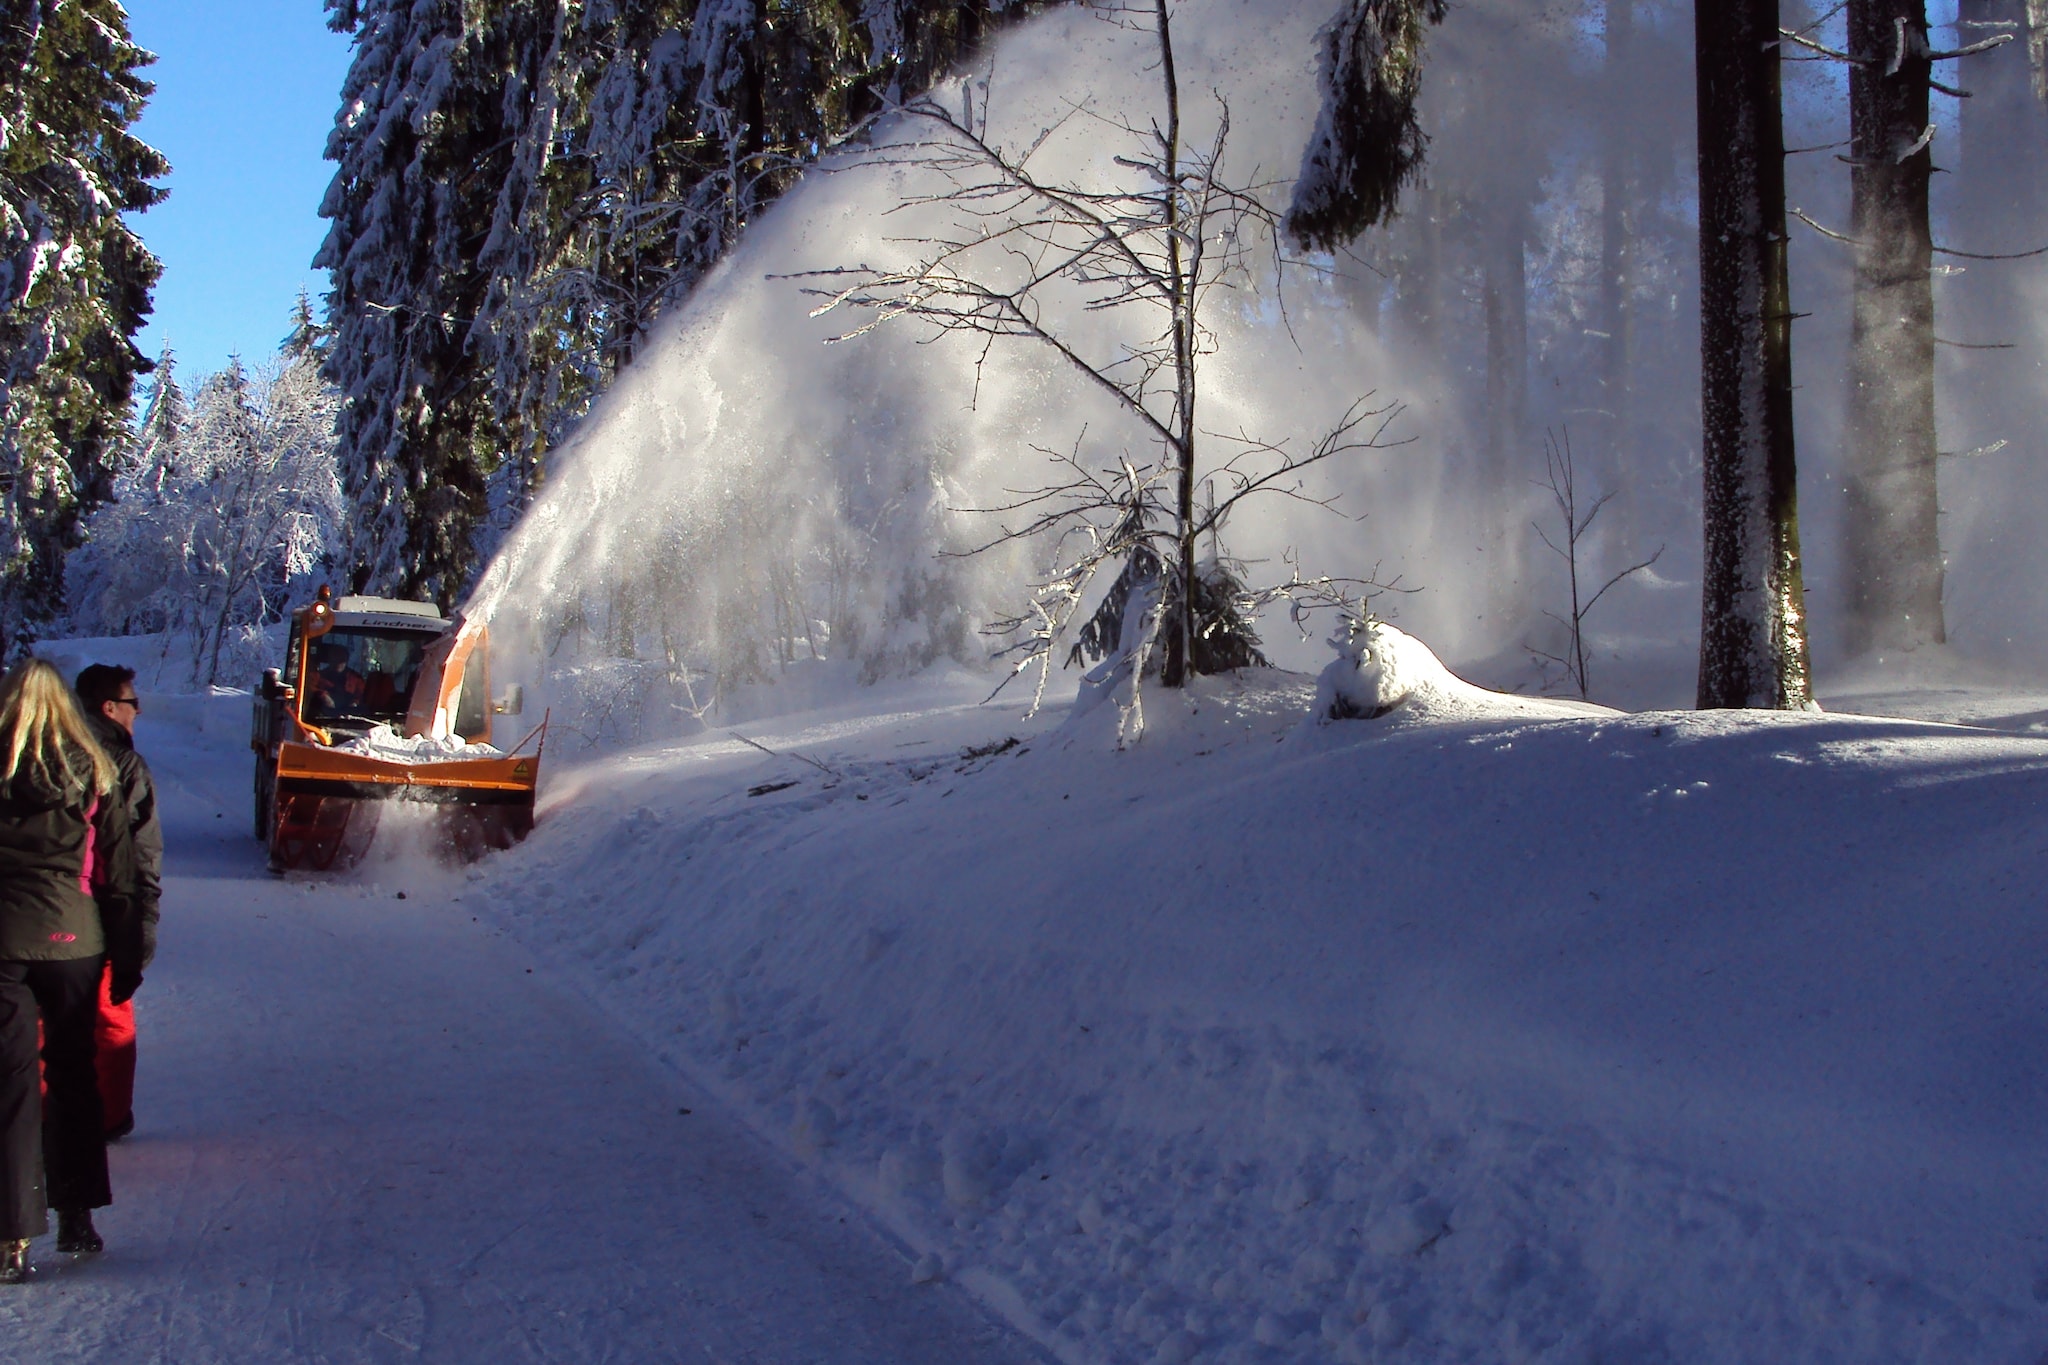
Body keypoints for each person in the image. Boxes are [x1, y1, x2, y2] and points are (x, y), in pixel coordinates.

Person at [0, 660, 140, 1283]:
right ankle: (77, 1215)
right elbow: (119, 874)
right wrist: (128, 954)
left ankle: (11, 1235)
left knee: (11, 1083)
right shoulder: (94, 771)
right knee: (75, 1074)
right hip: (75, 940)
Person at [72, 666, 160, 1141]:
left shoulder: (45, 752)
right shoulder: (125, 767)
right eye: (131, 703)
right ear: (109, 708)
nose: (137, 712)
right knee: (111, 1016)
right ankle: (107, 1116)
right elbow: (143, 854)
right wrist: (142, 925)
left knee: (45, 1013)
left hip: (43, 913)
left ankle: (42, 1111)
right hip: (103, 910)